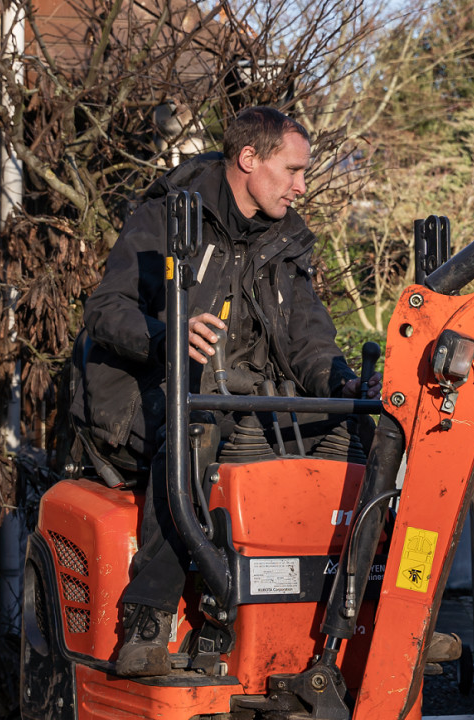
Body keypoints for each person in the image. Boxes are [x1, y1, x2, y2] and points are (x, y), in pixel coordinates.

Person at [71, 107, 380, 677]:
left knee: (361, 429)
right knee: (197, 429)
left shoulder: (286, 242)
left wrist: (343, 386)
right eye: (292, 170)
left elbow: (309, 339)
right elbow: (104, 312)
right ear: (248, 160)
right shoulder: (163, 219)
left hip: (246, 397)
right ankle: (146, 619)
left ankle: (382, 615)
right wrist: (169, 336)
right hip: (150, 393)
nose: (301, 186)